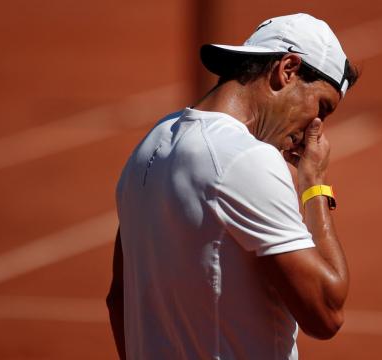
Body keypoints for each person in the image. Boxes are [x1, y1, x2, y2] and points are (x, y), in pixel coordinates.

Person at [106, 13, 359, 360]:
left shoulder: (149, 147)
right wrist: (315, 184)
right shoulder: (245, 159)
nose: (315, 128)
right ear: (287, 69)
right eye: (323, 107)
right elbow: (326, 311)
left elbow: (119, 300)